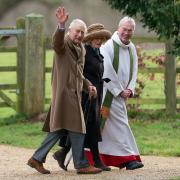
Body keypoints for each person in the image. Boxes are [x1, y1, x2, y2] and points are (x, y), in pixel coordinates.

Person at [27, 7, 102, 175]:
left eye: (82, 32)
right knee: (78, 127)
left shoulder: (81, 48)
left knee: (60, 129)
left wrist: (88, 85)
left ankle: (37, 158)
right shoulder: (64, 44)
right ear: (70, 31)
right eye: (77, 31)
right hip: (64, 94)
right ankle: (81, 164)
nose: (80, 35)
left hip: (74, 94)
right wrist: (60, 25)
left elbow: (79, 74)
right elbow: (56, 43)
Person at [53, 23, 112, 171]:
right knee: (88, 127)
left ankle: (63, 152)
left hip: (96, 92)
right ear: (90, 39)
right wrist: (87, 86)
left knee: (89, 126)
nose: (99, 41)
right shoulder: (85, 51)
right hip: (85, 94)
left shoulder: (98, 52)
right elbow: (78, 72)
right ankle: (95, 160)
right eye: (96, 38)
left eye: (102, 38)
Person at [97, 16, 144, 170]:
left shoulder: (131, 48)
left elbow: (134, 70)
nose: (127, 33)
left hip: (123, 95)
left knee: (106, 129)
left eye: (130, 30)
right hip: (108, 95)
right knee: (119, 125)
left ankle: (94, 157)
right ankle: (128, 159)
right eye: (124, 29)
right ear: (118, 29)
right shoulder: (108, 46)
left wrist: (130, 89)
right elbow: (106, 71)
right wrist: (119, 90)